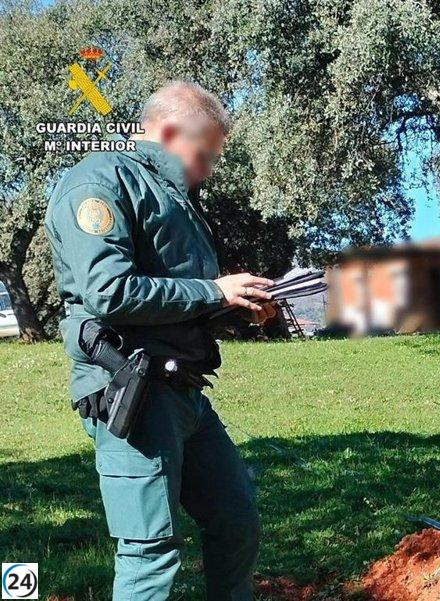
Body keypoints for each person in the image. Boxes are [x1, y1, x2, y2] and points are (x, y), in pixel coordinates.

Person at [45, 81, 271, 600]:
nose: (207, 170)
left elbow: (174, 301)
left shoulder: (172, 198)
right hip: (133, 392)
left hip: (185, 390)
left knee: (237, 520)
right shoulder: (98, 183)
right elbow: (110, 292)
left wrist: (236, 307)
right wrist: (213, 290)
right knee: (150, 553)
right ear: (168, 133)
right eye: (204, 155)